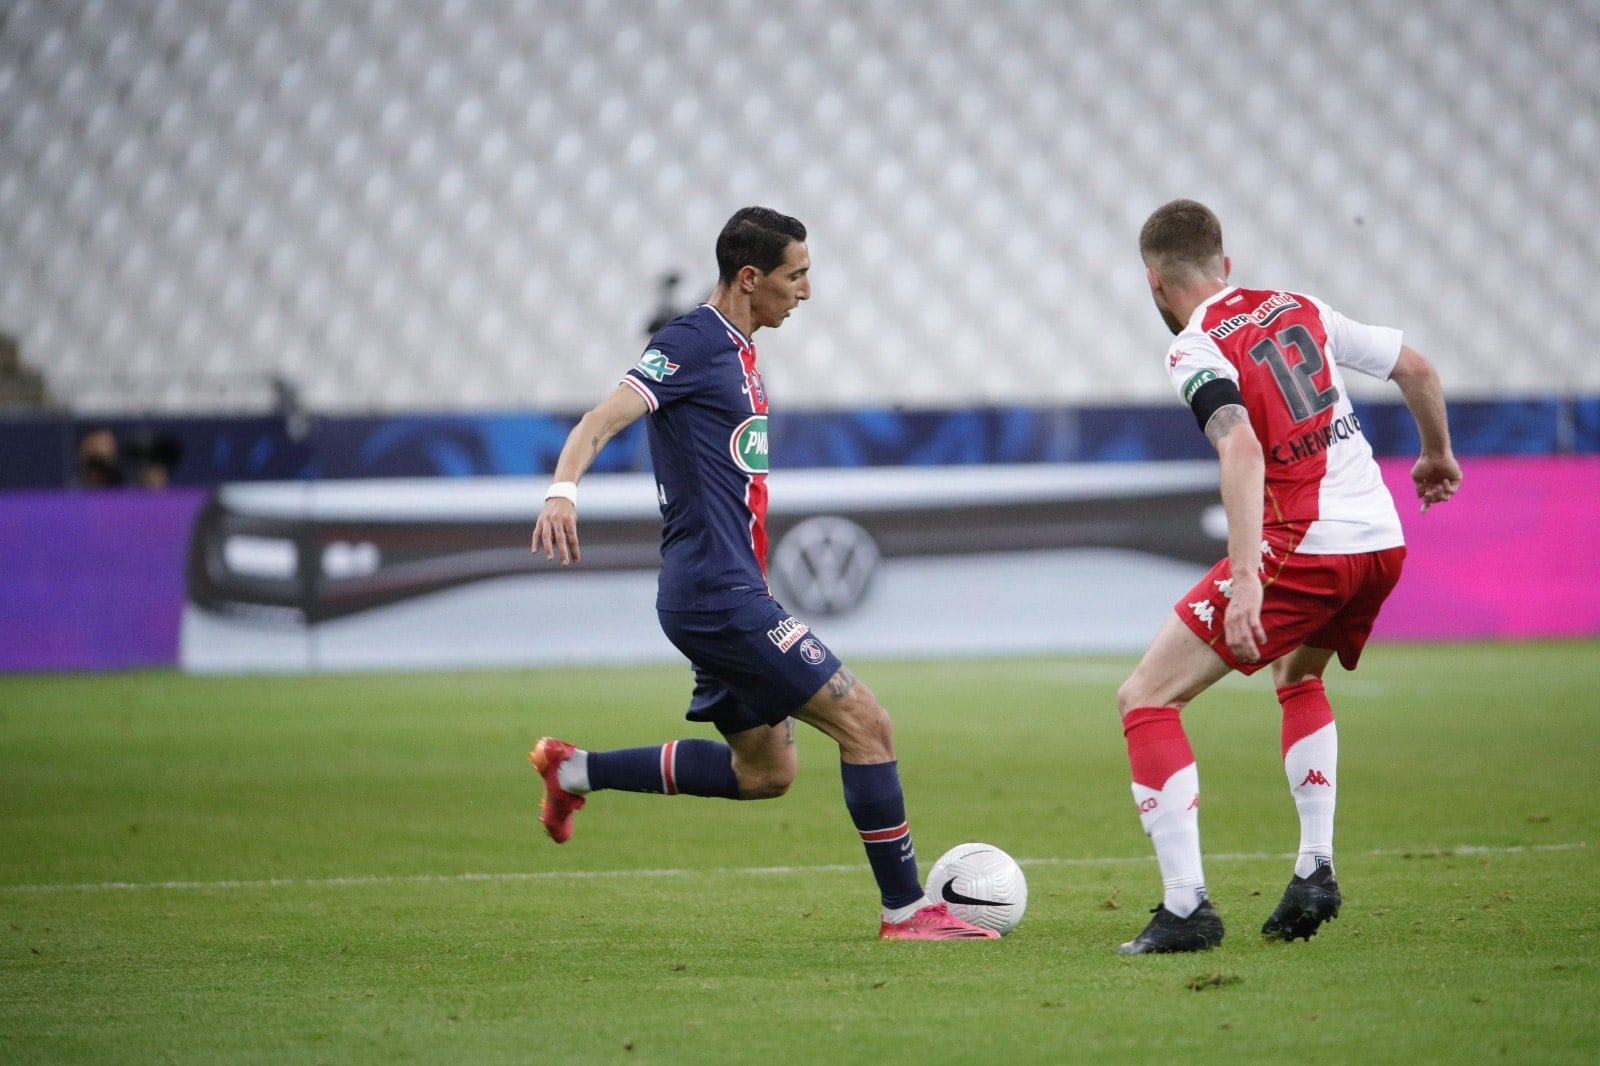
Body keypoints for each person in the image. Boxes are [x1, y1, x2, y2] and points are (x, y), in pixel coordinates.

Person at [529, 206, 997, 941]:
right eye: (796, 275)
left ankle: (573, 772)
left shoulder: (740, 348)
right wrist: (563, 488)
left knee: (765, 774)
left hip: (720, 591)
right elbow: (600, 420)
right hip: (719, 596)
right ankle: (906, 914)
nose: (806, 290)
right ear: (751, 278)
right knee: (867, 725)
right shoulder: (690, 341)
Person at [1114, 199, 1462, 954]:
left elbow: (1240, 449)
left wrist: (1246, 578)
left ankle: (1187, 910)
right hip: (1381, 540)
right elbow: (1418, 368)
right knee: (1298, 677)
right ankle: (1315, 870)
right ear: (1225, 265)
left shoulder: (1195, 346)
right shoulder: (1298, 305)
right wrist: (1436, 454)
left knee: (1145, 698)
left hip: (1305, 541)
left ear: (1154, 284)